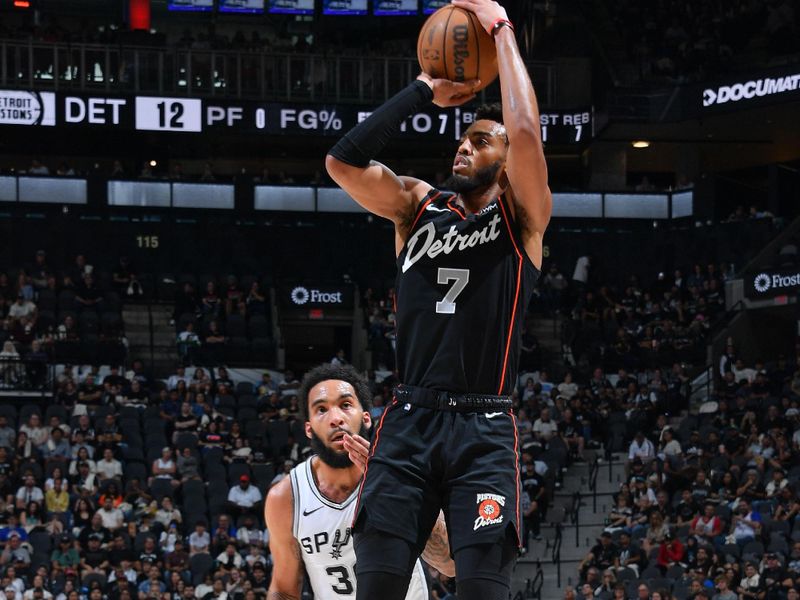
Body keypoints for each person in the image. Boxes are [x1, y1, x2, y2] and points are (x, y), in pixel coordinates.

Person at [327, 4, 550, 596]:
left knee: (481, 586)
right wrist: (426, 87)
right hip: (409, 420)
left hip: (484, 425)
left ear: (506, 164)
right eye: (463, 140)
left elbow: (525, 132)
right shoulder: (415, 205)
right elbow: (342, 162)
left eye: (480, 142)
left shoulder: (521, 218)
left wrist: (501, 31)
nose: (463, 149)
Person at [265, 364, 454, 599]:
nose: (335, 418)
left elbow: (449, 564)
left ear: (366, 417)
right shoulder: (287, 497)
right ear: (309, 428)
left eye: (345, 405)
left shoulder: (403, 473)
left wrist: (396, 484)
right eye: (321, 409)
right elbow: (284, 589)